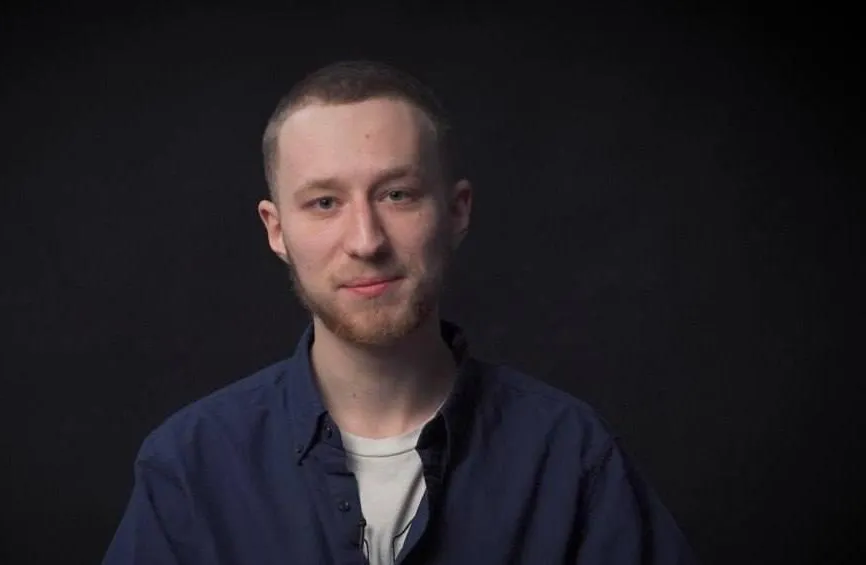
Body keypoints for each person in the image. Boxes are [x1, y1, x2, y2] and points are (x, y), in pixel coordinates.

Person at [102, 60, 698, 565]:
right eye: (325, 202)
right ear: (276, 230)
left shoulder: (572, 456)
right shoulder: (189, 466)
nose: (366, 240)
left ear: (457, 211)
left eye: (397, 194)